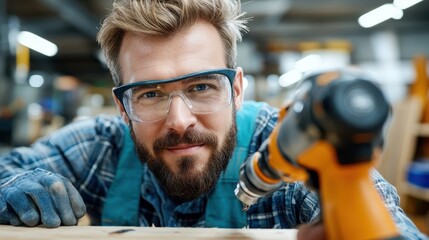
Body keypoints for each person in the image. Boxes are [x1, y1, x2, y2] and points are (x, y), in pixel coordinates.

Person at [0, 0, 425, 239]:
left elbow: (392, 225)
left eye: (202, 87)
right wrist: (10, 185)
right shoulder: (99, 149)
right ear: (121, 106)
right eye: (149, 94)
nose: (180, 121)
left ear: (236, 90)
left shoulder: (293, 147)